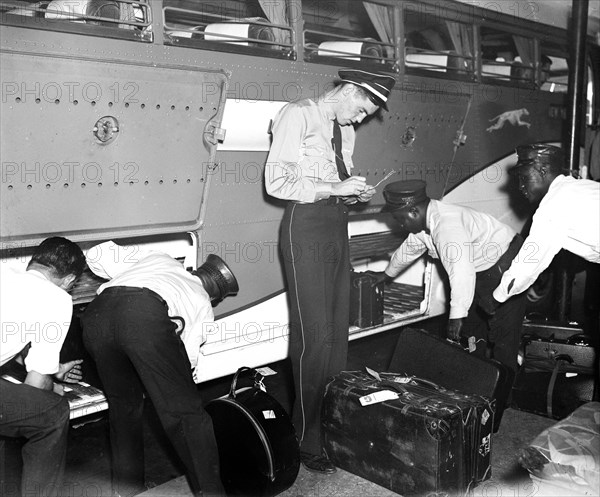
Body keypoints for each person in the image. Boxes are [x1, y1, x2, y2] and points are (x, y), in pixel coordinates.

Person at [264, 68, 396, 474]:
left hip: (337, 226)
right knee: (314, 338)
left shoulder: (345, 131)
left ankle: (329, 429)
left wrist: (352, 191)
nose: (360, 119)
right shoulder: (298, 115)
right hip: (305, 228)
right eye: (361, 108)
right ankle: (305, 439)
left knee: (337, 335)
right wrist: (333, 189)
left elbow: (335, 181)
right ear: (349, 90)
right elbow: (277, 181)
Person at [80, 241, 238, 497]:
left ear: (197, 270)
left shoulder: (161, 259)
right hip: (145, 314)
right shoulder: (202, 302)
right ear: (214, 295)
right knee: (187, 415)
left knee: (124, 409)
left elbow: (98, 254)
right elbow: (187, 357)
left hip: (96, 315)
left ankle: (126, 491)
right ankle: (212, 493)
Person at [371, 180, 528, 379]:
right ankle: (477, 385)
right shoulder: (424, 221)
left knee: (503, 338)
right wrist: (386, 275)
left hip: (506, 264)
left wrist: (456, 316)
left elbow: (461, 271)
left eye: (400, 220)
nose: (401, 225)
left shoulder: (447, 228)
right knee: (472, 332)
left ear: (413, 212)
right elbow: (410, 248)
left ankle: (504, 399)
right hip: (479, 269)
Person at [0, 236, 86, 496]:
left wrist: (53, 371)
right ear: (70, 280)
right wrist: (53, 388)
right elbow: (36, 385)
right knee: (54, 413)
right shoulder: (57, 298)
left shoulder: (5, 273)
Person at [491, 144, 600, 308]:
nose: (521, 186)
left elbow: (528, 264)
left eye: (524, 177)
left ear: (542, 171)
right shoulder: (577, 188)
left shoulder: (554, 204)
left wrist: (495, 299)